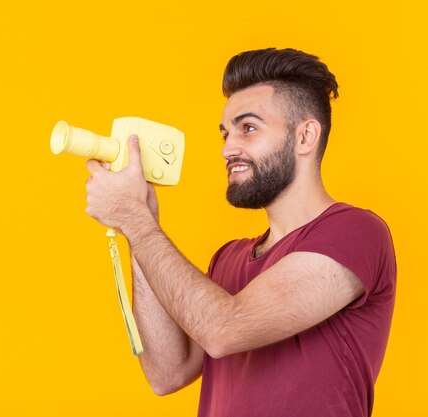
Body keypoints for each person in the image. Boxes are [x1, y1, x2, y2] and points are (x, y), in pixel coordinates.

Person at [84, 48, 396, 417]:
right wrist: (141, 222)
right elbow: (166, 374)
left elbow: (224, 330)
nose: (228, 148)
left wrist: (136, 220)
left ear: (305, 136)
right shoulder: (228, 258)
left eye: (248, 128)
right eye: (225, 133)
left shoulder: (355, 232)